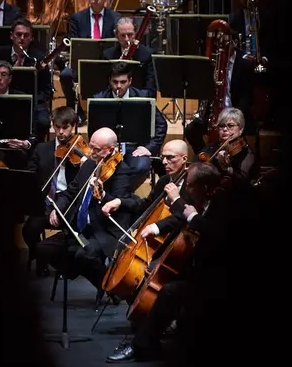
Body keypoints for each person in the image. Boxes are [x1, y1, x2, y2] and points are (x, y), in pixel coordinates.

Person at [105, 161, 232, 362]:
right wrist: (156, 231)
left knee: (169, 291)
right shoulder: (201, 198)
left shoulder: (224, 205)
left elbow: (210, 231)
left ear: (205, 187)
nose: (186, 189)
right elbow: (180, 219)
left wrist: (179, 202)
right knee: (158, 276)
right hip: (197, 266)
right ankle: (146, 337)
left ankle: (141, 346)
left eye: (189, 185)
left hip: (216, 275)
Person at [44, 127, 135, 298]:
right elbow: (71, 192)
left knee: (83, 255)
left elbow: (119, 203)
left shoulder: (121, 170)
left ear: (111, 149)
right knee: (44, 249)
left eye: (97, 149)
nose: (90, 152)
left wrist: (102, 194)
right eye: (91, 146)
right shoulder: (89, 164)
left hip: (104, 229)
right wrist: (58, 209)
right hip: (81, 227)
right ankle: (102, 281)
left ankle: (111, 287)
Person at [22, 106, 85, 276]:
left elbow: (81, 184)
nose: (61, 132)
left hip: (70, 204)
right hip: (47, 200)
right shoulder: (42, 149)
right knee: (29, 229)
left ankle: (62, 264)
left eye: (65, 128)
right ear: (52, 125)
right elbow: (30, 173)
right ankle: (41, 259)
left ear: (73, 126)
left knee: (72, 233)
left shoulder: (81, 151)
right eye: (57, 127)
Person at [93, 61, 167, 191]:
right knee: (103, 168)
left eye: (123, 82)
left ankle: (118, 195)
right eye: (115, 82)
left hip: (135, 146)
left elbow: (161, 124)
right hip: (109, 148)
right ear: (109, 80)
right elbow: (93, 129)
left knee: (141, 167)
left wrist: (150, 147)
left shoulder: (143, 97)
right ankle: (120, 196)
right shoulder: (99, 98)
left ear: (130, 80)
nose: (118, 86)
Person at [100, 139, 190, 240]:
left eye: (170, 157)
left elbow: (187, 215)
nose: (164, 162)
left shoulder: (192, 184)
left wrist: (176, 199)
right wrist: (120, 201)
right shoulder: (163, 181)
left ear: (184, 159)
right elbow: (145, 206)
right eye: (163, 157)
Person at [59, 0, 121, 121]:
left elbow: (117, 44)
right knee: (65, 75)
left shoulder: (115, 17)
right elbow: (73, 43)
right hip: (82, 62)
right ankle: (76, 110)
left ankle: (111, 112)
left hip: (107, 63)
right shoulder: (77, 18)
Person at [184, 36, 256, 153]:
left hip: (236, 111)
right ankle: (205, 156)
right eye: (219, 42)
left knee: (230, 128)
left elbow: (247, 97)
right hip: (215, 111)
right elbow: (204, 90)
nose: (222, 46)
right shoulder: (212, 61)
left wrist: (235, 116)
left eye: (226, 42)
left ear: (235, 42)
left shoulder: (245, 64)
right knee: (191, 130)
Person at [0, 18, 52, 142]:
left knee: (43, 122)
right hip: (2, 97)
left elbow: (48, 89)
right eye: (18, 34)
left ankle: (32, 148)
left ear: (32, 37)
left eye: (26, 35)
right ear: (11, 36)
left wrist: (32, 99)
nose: (22, 38)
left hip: (32, 100)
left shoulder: (39, 58)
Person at [197, 107, 259, 200]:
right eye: (221, 126)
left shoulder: (246, 152)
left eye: (230, 126)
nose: (225, 129)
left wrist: (227, 168)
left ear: (241, 129)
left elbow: (243, 182)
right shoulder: (212, 147)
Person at [102, 17, 156, 97]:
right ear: (116, 35)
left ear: (136, 34)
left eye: (130, 35)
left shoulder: (146, 55)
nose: (127, 39)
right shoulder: (108, 55)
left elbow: (150, 88)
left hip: (139, 100)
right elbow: (103, 87)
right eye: (122, 35)